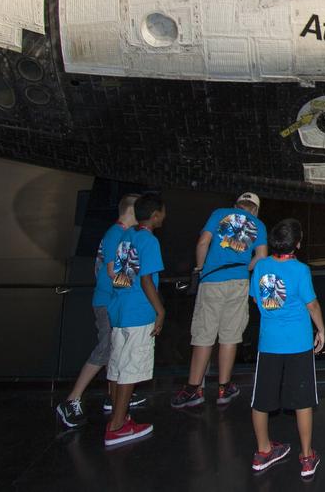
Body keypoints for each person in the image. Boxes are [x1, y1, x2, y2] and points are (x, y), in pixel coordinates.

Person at [173, 192, 268, 409]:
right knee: (230, 335)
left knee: (204, 334)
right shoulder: (258, 224)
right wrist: (245, 267)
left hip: (212, 280)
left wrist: (199, 269)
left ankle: (193, 388)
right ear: (255, 209)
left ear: (237, 204)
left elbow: (203, 243)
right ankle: (224, 387)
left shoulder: (219, 214)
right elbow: (261, 256)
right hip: (238, 282)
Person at [56, 193, 143, 428]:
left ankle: (113, 396)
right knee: (105, 348)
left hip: (110, 300)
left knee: (114, 348)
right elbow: (113, 272)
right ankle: (71, 400)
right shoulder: (116, 235)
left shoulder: (116, 234)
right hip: (107, 301)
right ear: (131, 212)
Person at [250, 218, 325, 477]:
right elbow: (312, 305)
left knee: (261, 400)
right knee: (302, 400)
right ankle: (306, 457)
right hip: (298, 344)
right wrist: (322, 329)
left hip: (269, 343)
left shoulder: (260, 267)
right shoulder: (300, 270)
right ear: (297, 243)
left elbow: (255, 298)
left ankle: (263, 451)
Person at [104, 192, 167, 447]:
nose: (164, 216)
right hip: (139, 311)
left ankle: (118, 419)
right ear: (154, 216)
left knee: (118, 365)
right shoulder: (148, 241)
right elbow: (146, 279)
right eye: (163, 212)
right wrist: (159, 311)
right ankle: (118, 427)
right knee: (130, 370)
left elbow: (121, 274)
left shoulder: (126, 237)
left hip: (120, 308)